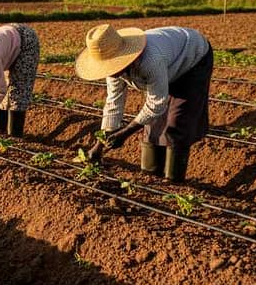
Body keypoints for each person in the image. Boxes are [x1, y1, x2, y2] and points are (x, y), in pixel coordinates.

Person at [76, 24, 213, 183]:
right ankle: (151, 177)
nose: (112, 72)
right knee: (152, 126)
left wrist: (125, 132)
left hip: (192, 59)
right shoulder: (113, 70)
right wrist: (99, 147)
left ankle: (174, 183)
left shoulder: (150, 59)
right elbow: (114, 104)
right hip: (167, 66)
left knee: (176, 122)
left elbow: (156, 104)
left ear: (122, 56)